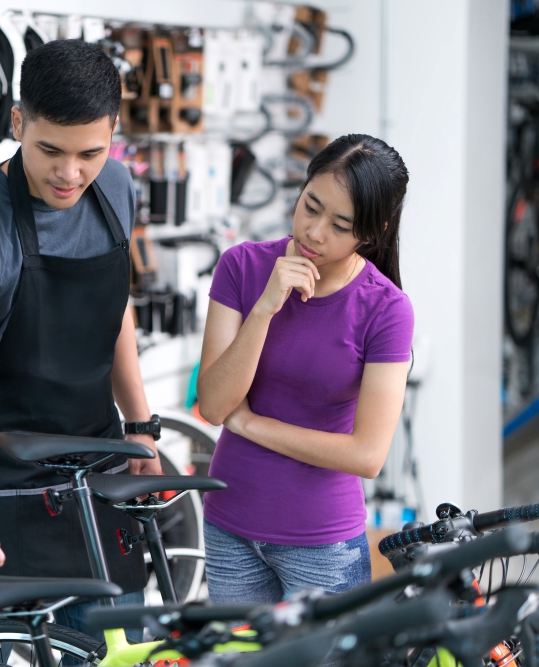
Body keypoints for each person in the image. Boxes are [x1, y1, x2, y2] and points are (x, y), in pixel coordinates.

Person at [0, 39, 162, 638]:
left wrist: (139, 429)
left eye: (91, 153)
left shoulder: (115, 188)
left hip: (96, 488)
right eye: (49, 149)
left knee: (114, 653)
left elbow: (115, 314)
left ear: (112, 132)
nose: (70, 173)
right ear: (17, 121)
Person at [197, 134, 414, 604]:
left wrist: (252, 423)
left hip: (323, 544)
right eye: (310, 206)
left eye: (340, 225)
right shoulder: (242, 267)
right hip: (229, 525)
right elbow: (214, 406)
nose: (315, 232)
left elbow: (367, 456)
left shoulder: (386, 309)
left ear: (370, 233)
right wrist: (264, 309)